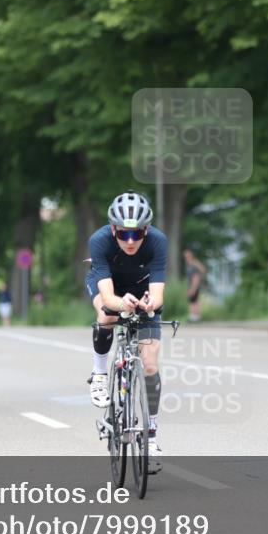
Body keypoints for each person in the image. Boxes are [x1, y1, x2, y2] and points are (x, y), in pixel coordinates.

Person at [85, 190, 166, 472]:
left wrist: (149, 304)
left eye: (137, 233)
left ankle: (151, 435)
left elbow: (158, 294)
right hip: (110, 286)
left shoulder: (158, 241)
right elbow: (108, 297)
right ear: (113, 229)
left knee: (150, 364)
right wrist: (123, 304)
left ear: (147, 230)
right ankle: (99, 373)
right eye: (123, 234)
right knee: (106, 314)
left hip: (142, 289)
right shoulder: (99, 241)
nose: (130, 241)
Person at [183, 247, 207, 323]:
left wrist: (193, 289)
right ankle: (194, 317)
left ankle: (195, 317)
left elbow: (196, 278)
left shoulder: (194, 265)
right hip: (191, 286)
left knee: (194, 301)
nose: (186, 257)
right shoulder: (189, 265)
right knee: (193, 301)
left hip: (194, 286)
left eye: (187, 255)